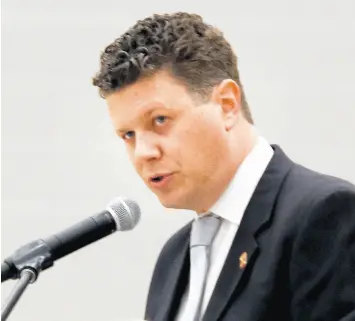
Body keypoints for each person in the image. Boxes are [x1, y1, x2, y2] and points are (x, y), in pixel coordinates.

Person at [92, 12, 355, 321]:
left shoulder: (325, 214)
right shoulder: (173, 257)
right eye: (128, 135)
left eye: (160, 120)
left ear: (227, 105)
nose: (143, 152)